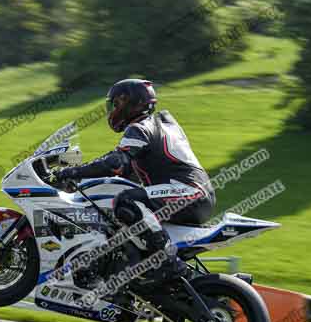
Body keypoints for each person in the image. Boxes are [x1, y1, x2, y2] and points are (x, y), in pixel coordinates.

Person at [54, 78, 216, 285]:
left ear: (130, 103)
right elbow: (122, 170)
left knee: (126, 201)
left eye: (115, 104)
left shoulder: (140, 127)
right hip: (194, 194)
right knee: (122, 208)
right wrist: (83, 178)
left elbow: (114, 162)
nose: (112, 110)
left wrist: (72, 172)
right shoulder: (159, 125)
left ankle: (166, 262)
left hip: (189, 192)